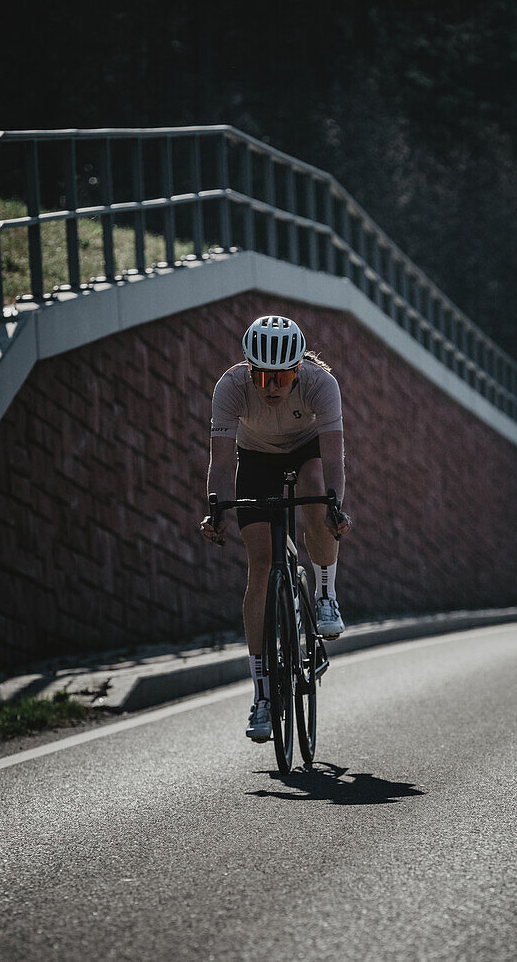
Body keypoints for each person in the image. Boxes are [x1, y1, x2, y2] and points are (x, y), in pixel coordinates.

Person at [199, 314, 353, 742]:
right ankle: (263, 695)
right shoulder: (230, 388)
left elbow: (335, 456)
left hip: (306, 452)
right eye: (262, 376)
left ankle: (325, 595)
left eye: (280, 378)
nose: (270, 387)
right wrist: (216, 511)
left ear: (297, 370)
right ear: (249, 368)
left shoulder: (322, 385)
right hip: (256, 461)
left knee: (316, 494)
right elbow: (222, 460)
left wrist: (336, 505)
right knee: (261, 564)